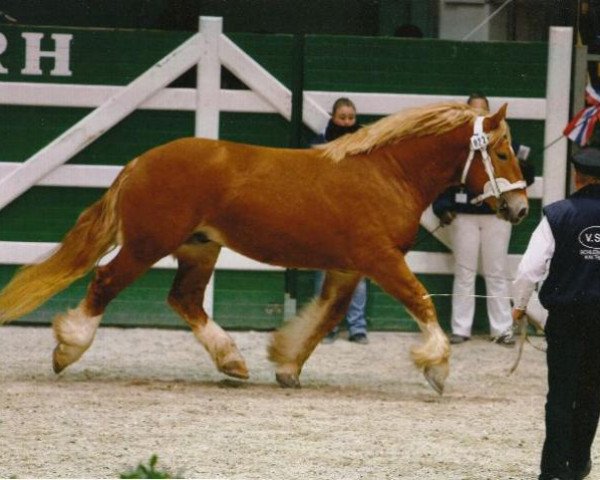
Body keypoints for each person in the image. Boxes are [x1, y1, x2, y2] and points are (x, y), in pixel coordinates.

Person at [512, 147, 600, 480]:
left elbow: (528, 270)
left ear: (577, 177)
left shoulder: (558, 214)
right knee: (592, 393)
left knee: (561, 395)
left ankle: (552, 470)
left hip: (567, 319)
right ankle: (578, 464)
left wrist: (520, 306)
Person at [433, 93, 530, 346]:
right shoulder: (458, 142)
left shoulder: (502, 137)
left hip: (496, 215)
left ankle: (501, 329)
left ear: (489, 112)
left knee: (496, 272)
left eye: (482, 110)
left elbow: (523, 174)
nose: (478, 115)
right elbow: (443, 176)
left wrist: (519, 161)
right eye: (473, 110)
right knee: (464, 272)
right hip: (463, 215)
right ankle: (460, 328)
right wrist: (442, 206)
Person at [313, 97, 368, 345]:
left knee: (358, 272)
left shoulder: (366, 143)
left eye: (350, 117)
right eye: (342, 117)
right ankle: (325, 326)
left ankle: (357, 327)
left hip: (356, 213)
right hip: (327, 213)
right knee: (325, 271)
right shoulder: (319, 142)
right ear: (333, 117)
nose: (347, 122)